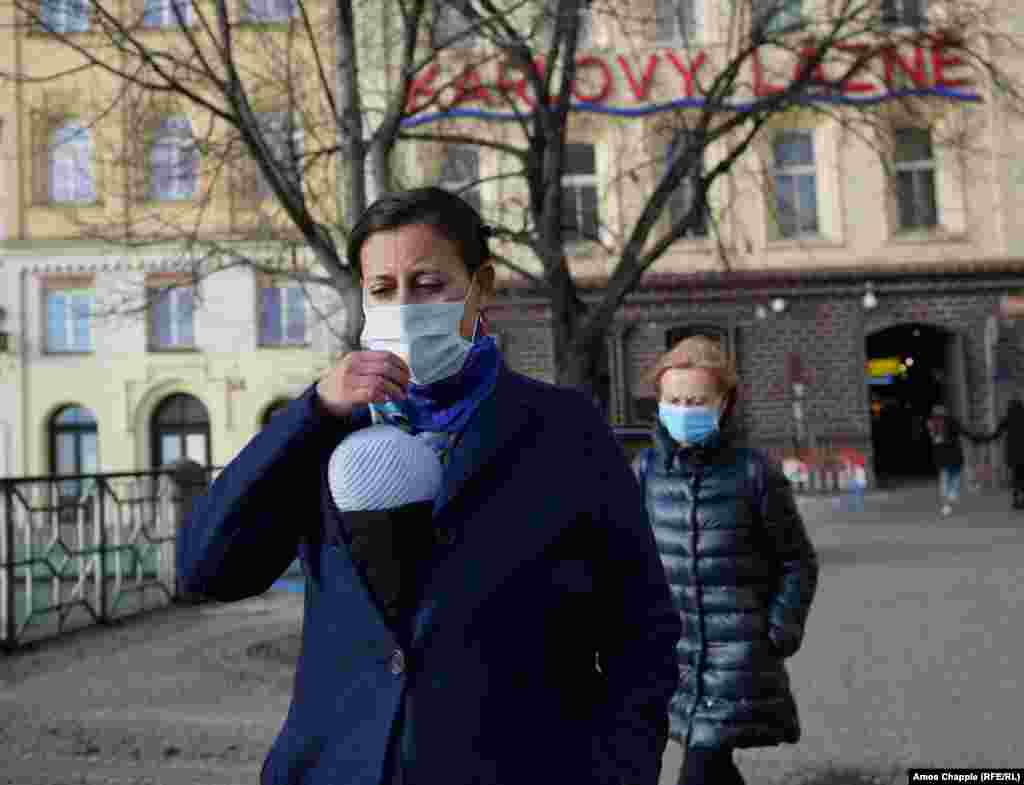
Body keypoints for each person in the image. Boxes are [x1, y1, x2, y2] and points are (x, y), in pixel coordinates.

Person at [176, 187, 682, 785]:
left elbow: (641, 631)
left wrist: (618, 771)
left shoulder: (565, 430)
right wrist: (308, 411)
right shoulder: (326, 430)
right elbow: (206, 569)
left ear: (481, 288)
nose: (405, 308)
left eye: (428, 284)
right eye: (383, 290)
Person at [633, 336, 819, 785]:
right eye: (674, 399)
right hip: (675, 654)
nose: (684, 409)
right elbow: (628, 559)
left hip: (737, 655)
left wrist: (778, 630)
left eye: (697, 400)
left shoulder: (754, 473)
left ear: (723, 403)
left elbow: (797, 560)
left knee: (699, 767)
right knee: (712, 767)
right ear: (658, 401)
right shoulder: (645, 472)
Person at [925, 403, 996, 517]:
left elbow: (934, 439)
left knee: (944, 479)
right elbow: (964, 432)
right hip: (954, 455)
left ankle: (945, 505)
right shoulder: (952, 421)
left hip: (940, 456)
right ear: (944, 412)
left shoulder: (931, 423)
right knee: (955, 477)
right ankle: (952, 496)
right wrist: (978, 439)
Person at [992, 397, 1024, 509]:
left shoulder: (1007, 418)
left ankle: (1016, 500)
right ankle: (1021, 499)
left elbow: (996, 434)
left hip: (1013, 453)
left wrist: (982, 439)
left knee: (1015, 476)